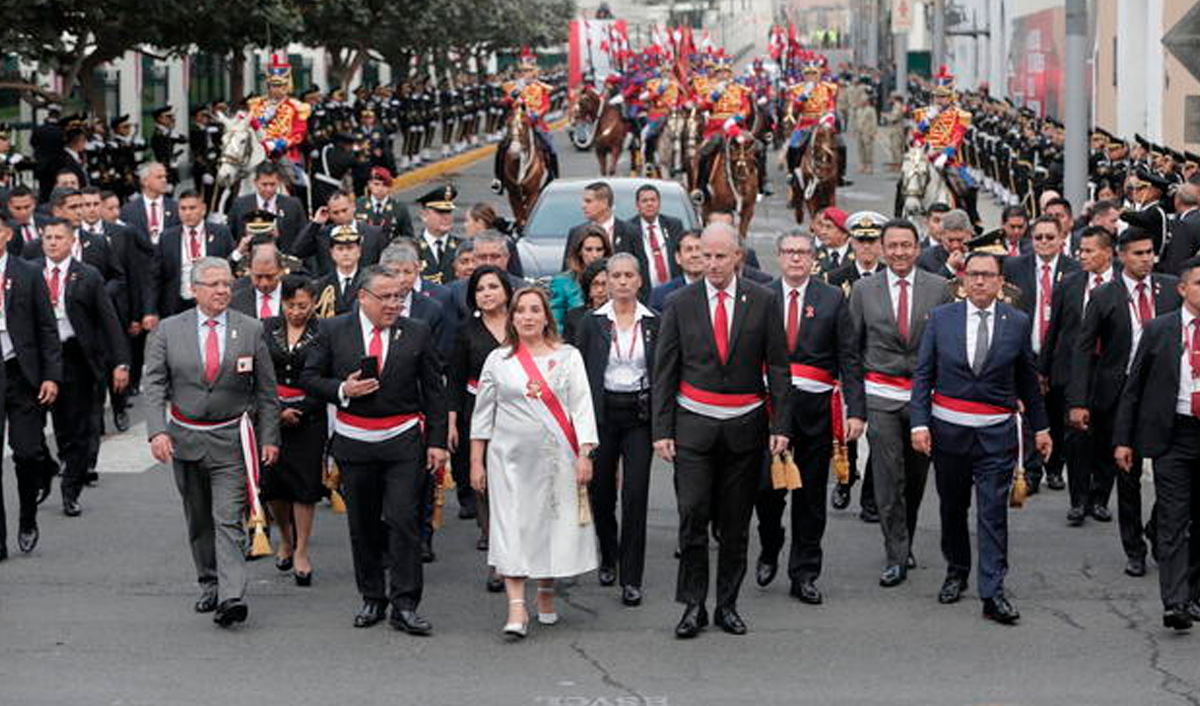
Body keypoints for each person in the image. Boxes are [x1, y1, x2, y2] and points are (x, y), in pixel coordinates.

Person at [652, 222, 792, 638]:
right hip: (693, 427)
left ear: (737, 257)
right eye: (704, 256)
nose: (711, 263)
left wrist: (781, 423)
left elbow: (779, 367)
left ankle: (726, 604)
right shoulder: (679, 302)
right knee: (693, 514)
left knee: (735, 523)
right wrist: (662, 428)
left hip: (746, 428)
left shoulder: (764, 300)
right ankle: (692, 605)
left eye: (719, 256)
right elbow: (665, 370)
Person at [299, 265, 447, 634]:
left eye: (399, 296)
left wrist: (438, 443)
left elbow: (434, 391)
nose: (395, 304)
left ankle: (406, 604)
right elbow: (309, 378)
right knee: (363, 525)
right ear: (363, 297)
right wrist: (342, 390)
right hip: (355, 443)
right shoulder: (334, 330)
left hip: (403, 441)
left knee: (403, 521)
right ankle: (372, 597)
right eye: (386, 297)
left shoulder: (416, 331)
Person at [910, 251, 1051, 624]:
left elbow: (1027, 380)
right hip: (948, 432)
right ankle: (956, 571)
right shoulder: (942, 319)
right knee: (952, 507)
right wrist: (919, 423)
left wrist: (1041, 427)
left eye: (987, 275)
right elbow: (923, 375)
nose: (980, 282)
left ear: (1000, 281)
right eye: (973, 275)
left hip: (996, 434)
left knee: (992, 512)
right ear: (962, 280)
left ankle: (993, 591)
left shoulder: (1017, 322)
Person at [143, 257, 280, 627]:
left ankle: (232, 595)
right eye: (214, 284)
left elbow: (267, 392)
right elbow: (154, 384)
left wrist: (269, 437)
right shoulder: (170, 331)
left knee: (227, 519)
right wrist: (157, 431)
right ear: (195, 290)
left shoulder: (250, 330)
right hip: (185, 439)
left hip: (232, 440)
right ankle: (209, 582)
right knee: (199, 518)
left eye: (227, 284)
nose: (223, 291)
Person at [470, 286, 599, 639]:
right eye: (520, 311)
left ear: (546, 316)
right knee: (512, 525)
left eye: (534, 310)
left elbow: (581, 406)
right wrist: (476, 461)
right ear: (512, 318)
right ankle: (516, 607)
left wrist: (585, 454)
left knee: (548, 524)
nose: (527, 317)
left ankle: (545, 591)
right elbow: (482, 415)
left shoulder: (568, 356)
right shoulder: (499, 360)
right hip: (508, 460)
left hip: (557, 456)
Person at [753, 229, 865, 604]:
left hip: (816, 409)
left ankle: (804, 572)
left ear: (814, 258)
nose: (796, 259)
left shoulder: (832, 298)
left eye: (803, 252)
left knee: (811, 497)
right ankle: (771, 545)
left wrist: (856, 410)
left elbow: (849, 357)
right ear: (779, 257)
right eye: (789, 252)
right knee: (767, 493)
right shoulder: (761, 296)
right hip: (769, 410)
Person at [847, 218, 954, 587]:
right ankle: (896, 552)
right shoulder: (863, 290)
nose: (899, 252)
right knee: (888, 476)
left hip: (924, 397)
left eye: (906, 245)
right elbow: (852, 351)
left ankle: (904, 535)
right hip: (881, 395)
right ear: (881, 248)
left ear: (917, 247)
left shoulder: (940, 288)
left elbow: (946, 347)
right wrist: (855, 407)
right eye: (891, 246)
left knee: (916, 475)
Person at [1069, 228, 1181, 577]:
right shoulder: (1105, 296)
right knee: (1127, 476)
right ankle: (1135, 549)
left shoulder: (1170, 290)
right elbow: (1084, 350)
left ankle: (1157, 528)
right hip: (1118, 396)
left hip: (1163, 394)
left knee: (1173, 473)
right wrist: (1079, 400)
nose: (1146, 258)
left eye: (1150, 252)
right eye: (1138, 253)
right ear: (1121, 256)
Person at [1114, 256, 1200, 630]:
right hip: (1173, 435)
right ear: (1182, 289)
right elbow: (1132, 390)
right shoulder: (1159, 330)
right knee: (1173, 518)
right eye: (1199, 283)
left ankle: (1193, 591)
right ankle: (1175, 601)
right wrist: (1124, 440)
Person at [576, 254, 658, 606]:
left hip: (639, 415)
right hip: (602, 414)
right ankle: (608, 555)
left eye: (629, 276)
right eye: (616, 276)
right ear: (606, 281)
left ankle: (631, 575)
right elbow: (577, 378)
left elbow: (665, 372)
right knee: (603, 493)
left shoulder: (654, 322)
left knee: (636, 495)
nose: (622, 282)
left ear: (639, 281)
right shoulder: (591, 323)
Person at [35, 219, 129, 517]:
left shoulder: (87, 276)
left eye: (58, 237)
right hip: (38, 357)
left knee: (76, 427)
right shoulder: (29, 272)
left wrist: (120, 362)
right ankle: (49, 463)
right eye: (48, 237)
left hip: (76, 356)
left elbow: (108, 321)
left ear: (72, 241)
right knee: (37, 425)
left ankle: (70, 489)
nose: (52, 242)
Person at [1041, 226, 1115, 525]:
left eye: (1088, 250)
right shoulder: (1069, 284)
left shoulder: (1121, 285)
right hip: (1072, 372)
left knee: (1106, 437)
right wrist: (1043, 371)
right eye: (1080, 250)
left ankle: (1100, 498)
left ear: (1107, 253)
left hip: (1109, 371)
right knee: (1075, 437)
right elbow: (1054, 331)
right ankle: (1078, 500)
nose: (1081, 256)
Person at [447, 265, 513, 592]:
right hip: (479, 412)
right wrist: (452, 421)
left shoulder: (523, 323)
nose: (487, 293)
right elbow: (455, 380)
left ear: (506, 290)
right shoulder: (464, 331)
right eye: (480, 289)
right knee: (484, 483)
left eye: (493, 287)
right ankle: (497, 558)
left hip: (520, 414)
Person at [260, 276, 326, 586]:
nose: (296, 312)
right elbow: (260, 374)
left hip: (309, 416)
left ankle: (301, 549)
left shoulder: (324, 331)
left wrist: (303, 409)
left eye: (303, 305)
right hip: (273, 414)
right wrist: (276, 411)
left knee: (305, 485)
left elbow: (328, 374)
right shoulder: (266, 328)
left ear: (313, 303)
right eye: (290, 305)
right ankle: (285, 538)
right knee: (274, 484)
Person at [226, 162, 308, 253]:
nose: (269, 189)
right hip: (248, 260)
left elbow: (303, 237)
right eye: (264, 184)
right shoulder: (240, 204)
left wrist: (279, 235)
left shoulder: (293, 205)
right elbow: (229, 236)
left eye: (273, 184)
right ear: (256, 182)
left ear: (279, 182)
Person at [619, 184, 684, 299]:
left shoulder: (674, 225)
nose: (649, 204)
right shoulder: (628, 229)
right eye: (644, 201)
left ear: (659, 203)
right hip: (645, 295)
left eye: (653, 200)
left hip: (675, 292)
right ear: (637, 205)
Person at [565, 182, 638, 267]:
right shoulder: (576, 233)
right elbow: (567, 270)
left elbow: (642, 270)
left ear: (604, 203)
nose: (583, 206)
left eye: (588, 201)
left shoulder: (631, 232)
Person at [550, 226, 612, 325]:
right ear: (579, 251)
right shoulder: (562, 282)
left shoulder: (615, 279)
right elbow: (555, 324)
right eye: (588, 249)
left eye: (599, 249)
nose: (595, 255)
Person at [413, 184, 462, 284]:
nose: (446, 217)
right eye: (440, 212)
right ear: (424, 215)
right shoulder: (412, 248)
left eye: (449, 212)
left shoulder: (462, 246)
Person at [650, 229, 704, 312]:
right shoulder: (661, 295)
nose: (694, 255)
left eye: (699, 249)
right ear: (678, 258)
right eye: (689, 250)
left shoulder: (721, 287)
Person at [356, 166, 414, 243]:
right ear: (369, 184)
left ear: (390, 187)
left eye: (385, 185)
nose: (380, 189)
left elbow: (408, 237)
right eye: (376, 184)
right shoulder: (359, 204)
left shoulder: (399, 208)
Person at [315, 225, 364, 315]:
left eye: (350, 248)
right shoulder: (321, 285)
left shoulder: (368, 281)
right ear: (332, 253)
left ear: (359, 250)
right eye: (340, 249)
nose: (345, 253)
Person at [231, 243, 285, 320]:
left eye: (270, 276)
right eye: (258, 277)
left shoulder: (295, 296)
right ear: (249, 270)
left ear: (281, 271)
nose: (264, 283)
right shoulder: (235, 300)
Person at [562, 259, 609, 345]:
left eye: (604, 284)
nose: (600, 290)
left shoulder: (620, 316)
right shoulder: (574, 316)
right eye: (595, 284)